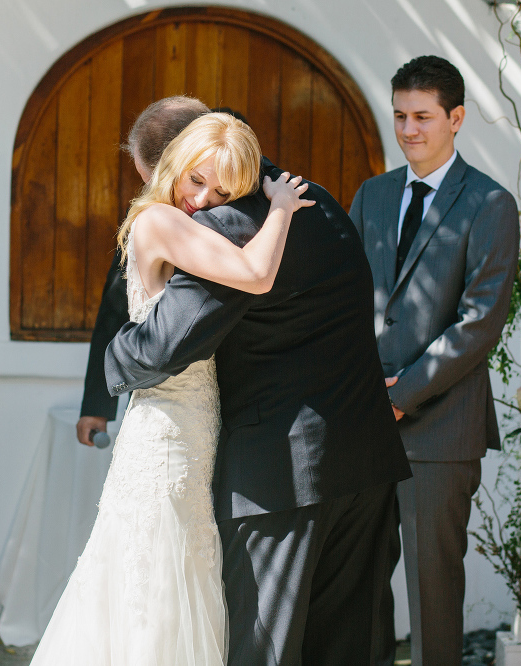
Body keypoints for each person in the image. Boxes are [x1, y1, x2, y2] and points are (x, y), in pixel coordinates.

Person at [105, 113, 413, 664]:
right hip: (366, 460)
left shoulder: (226, 227)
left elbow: (165, 346)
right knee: (350, 648)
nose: (194, 200)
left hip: (283, 477)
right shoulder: (313, 198)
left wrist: (113, 358)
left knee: (263, 650)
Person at [30, 112, 314, 665]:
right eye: (196, 180)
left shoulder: (175, 221)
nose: (203, 200)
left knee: (182, 565)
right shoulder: (160, 221)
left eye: (221, 191)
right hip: (164, 432)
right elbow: (256, 276)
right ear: (174, 166)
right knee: (154, 571)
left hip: (195, 423)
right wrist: (279, 209)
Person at [349, 55, 519, 666]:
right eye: (399, 116)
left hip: (441, 428)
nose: (408, 129)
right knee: (360, 584)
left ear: (456, 118)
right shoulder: (371, 195)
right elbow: (346, 303)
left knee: (433, 587)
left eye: (422, 116)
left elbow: (479, 323)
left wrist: (400, 394)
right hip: (364, 426)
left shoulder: (490, 203)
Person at [77, 96, 209, 447]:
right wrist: (97, 403)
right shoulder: (150, 214)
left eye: (156, 180)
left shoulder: (234, 188)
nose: (156, 193)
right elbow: (118, 301)